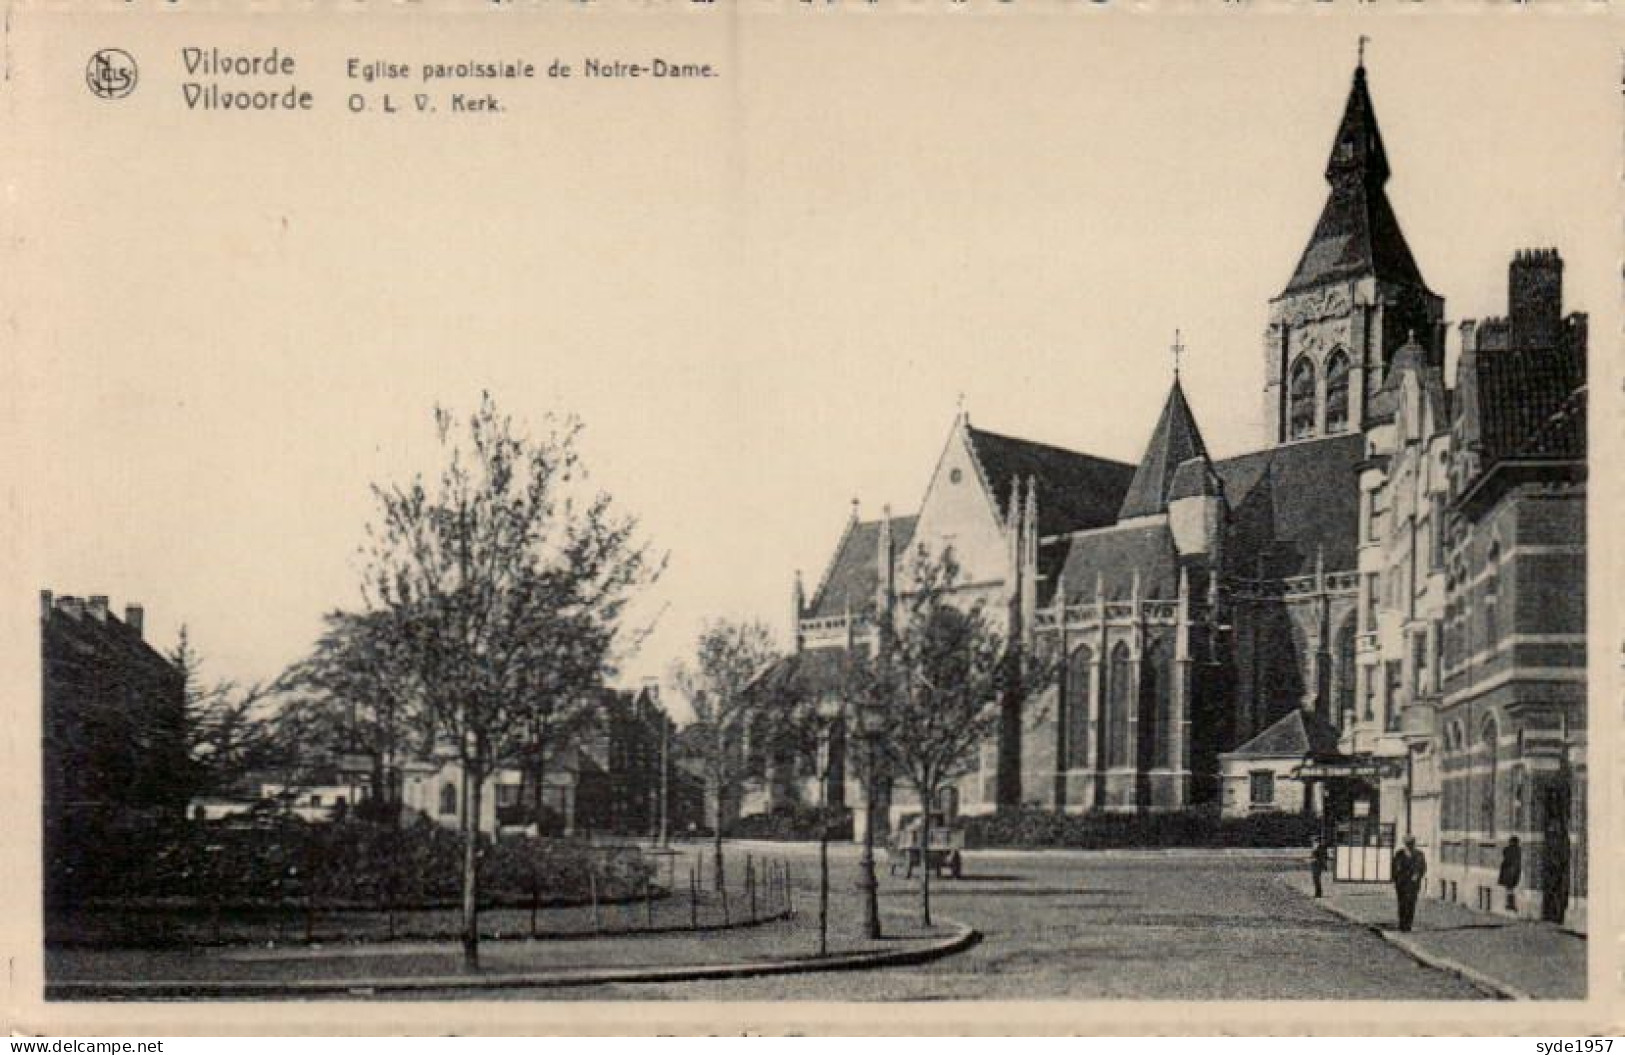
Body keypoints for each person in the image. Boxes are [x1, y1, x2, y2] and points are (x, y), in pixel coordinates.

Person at [1391, 834, 1427, 932]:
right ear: (1404, 844)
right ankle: (1401, 923)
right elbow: (1394, 867)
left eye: (1411, 844)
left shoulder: (1419, 854)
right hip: (1401, 883)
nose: (1409, 846)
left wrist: (1417, 875)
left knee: (1411, 903)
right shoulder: (1399, 854)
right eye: (1407, 844)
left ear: (1414, 844)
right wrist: (1395, 879)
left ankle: (1408, 924)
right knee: (1402, 903)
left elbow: (1423, 867)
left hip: (1413, 883)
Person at [1498, 836, 1522, 913]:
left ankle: (1509, 904)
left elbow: (1505, 858)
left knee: (1509, 888)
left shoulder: (1508, 849)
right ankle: (1510, 904)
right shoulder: (1517, 850)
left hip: (1509, 871)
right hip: (1512, 871)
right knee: (1510, 888)